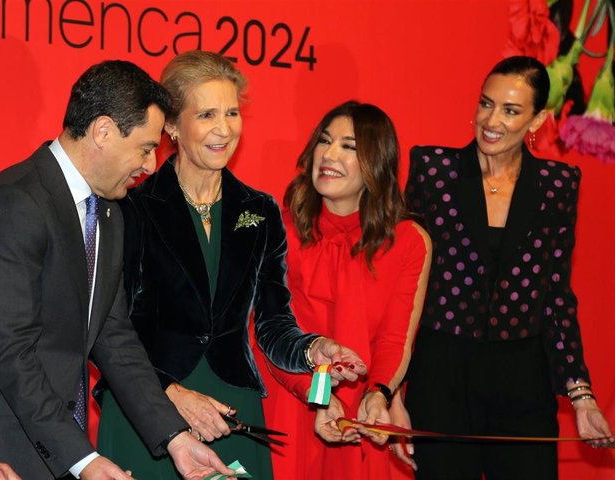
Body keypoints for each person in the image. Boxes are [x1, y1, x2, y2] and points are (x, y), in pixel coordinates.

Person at [96, 51, 366, 479]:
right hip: (148, 408)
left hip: (231, 409)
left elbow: (273, 325)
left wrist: (314, 349)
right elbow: (107, 328)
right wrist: (169, 393)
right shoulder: (130, 207)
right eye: (206, 114)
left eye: (232, 112)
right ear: (171, 125)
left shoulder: (259, 210)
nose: (224, 129)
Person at [0, 60, 235, 480]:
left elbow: (114, 338)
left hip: (57, 447)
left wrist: (175, 436)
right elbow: (13, 353)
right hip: (1, 451)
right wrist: (85, 460)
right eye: (146, 147)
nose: (150, 166)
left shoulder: (109, 213)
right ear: (103, 132)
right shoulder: (16, 205)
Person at [402, 55, 615, 480]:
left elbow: (556, 294)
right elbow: (405, 286)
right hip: (442, 376)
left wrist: (581, 395)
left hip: (523, 381)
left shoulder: (558, 185)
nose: (491, 120)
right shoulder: (434, 170)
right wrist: (390, 389)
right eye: (486, 103)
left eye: (511, 110)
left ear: (537, 121)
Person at [255, 101, 431, 479]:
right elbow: (263, 334)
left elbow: (394, 339)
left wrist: (379, 394)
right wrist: (316, 394)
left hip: (357, 412)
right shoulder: (277, 228)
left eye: (348, 147)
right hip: (288, 401)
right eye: (324, 141)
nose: (329, 154)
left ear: (377, 164)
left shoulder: (408, 242)